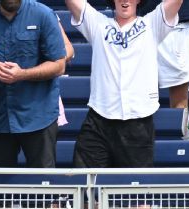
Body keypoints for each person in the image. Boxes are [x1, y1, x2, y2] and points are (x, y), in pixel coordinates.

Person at [66, 0, 183, 169]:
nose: (125, 0)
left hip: (138, 122)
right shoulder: (98, 24)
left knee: (133, 191)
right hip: (99, 120)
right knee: (86, 186)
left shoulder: (151, 24)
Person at [0, 0, 67, 168]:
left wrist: (22, 74)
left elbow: (59, 65)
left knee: (43, 186)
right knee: (1, 188)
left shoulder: (43, 14)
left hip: (39, 117)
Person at [140, 0, 189, 109]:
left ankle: (180, 126)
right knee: (136, 98)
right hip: (136, 22)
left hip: (175, 22)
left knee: (179, 102)